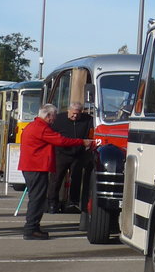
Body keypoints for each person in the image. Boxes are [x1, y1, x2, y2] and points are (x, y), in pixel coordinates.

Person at [18, 104, 97, 240]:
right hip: (36, 167)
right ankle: (31, 229)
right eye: (53, 116)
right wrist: (82, 142)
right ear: (48, 116)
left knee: (36, 198)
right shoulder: (41, 128)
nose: (55, 120)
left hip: (32, 167)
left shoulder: (34, 126)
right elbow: (60, 140)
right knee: (37, 199)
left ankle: (33, 227)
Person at [49, 102, 93, 213]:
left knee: (76, 179)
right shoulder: (59, 119)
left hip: (78, 154)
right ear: (69, 111)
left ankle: (73, 202)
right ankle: (52, 203)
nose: (75, 116)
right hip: (61, 153)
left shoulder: (87, 120)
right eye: (73, 114)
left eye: (78, 114)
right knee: (56, 179)